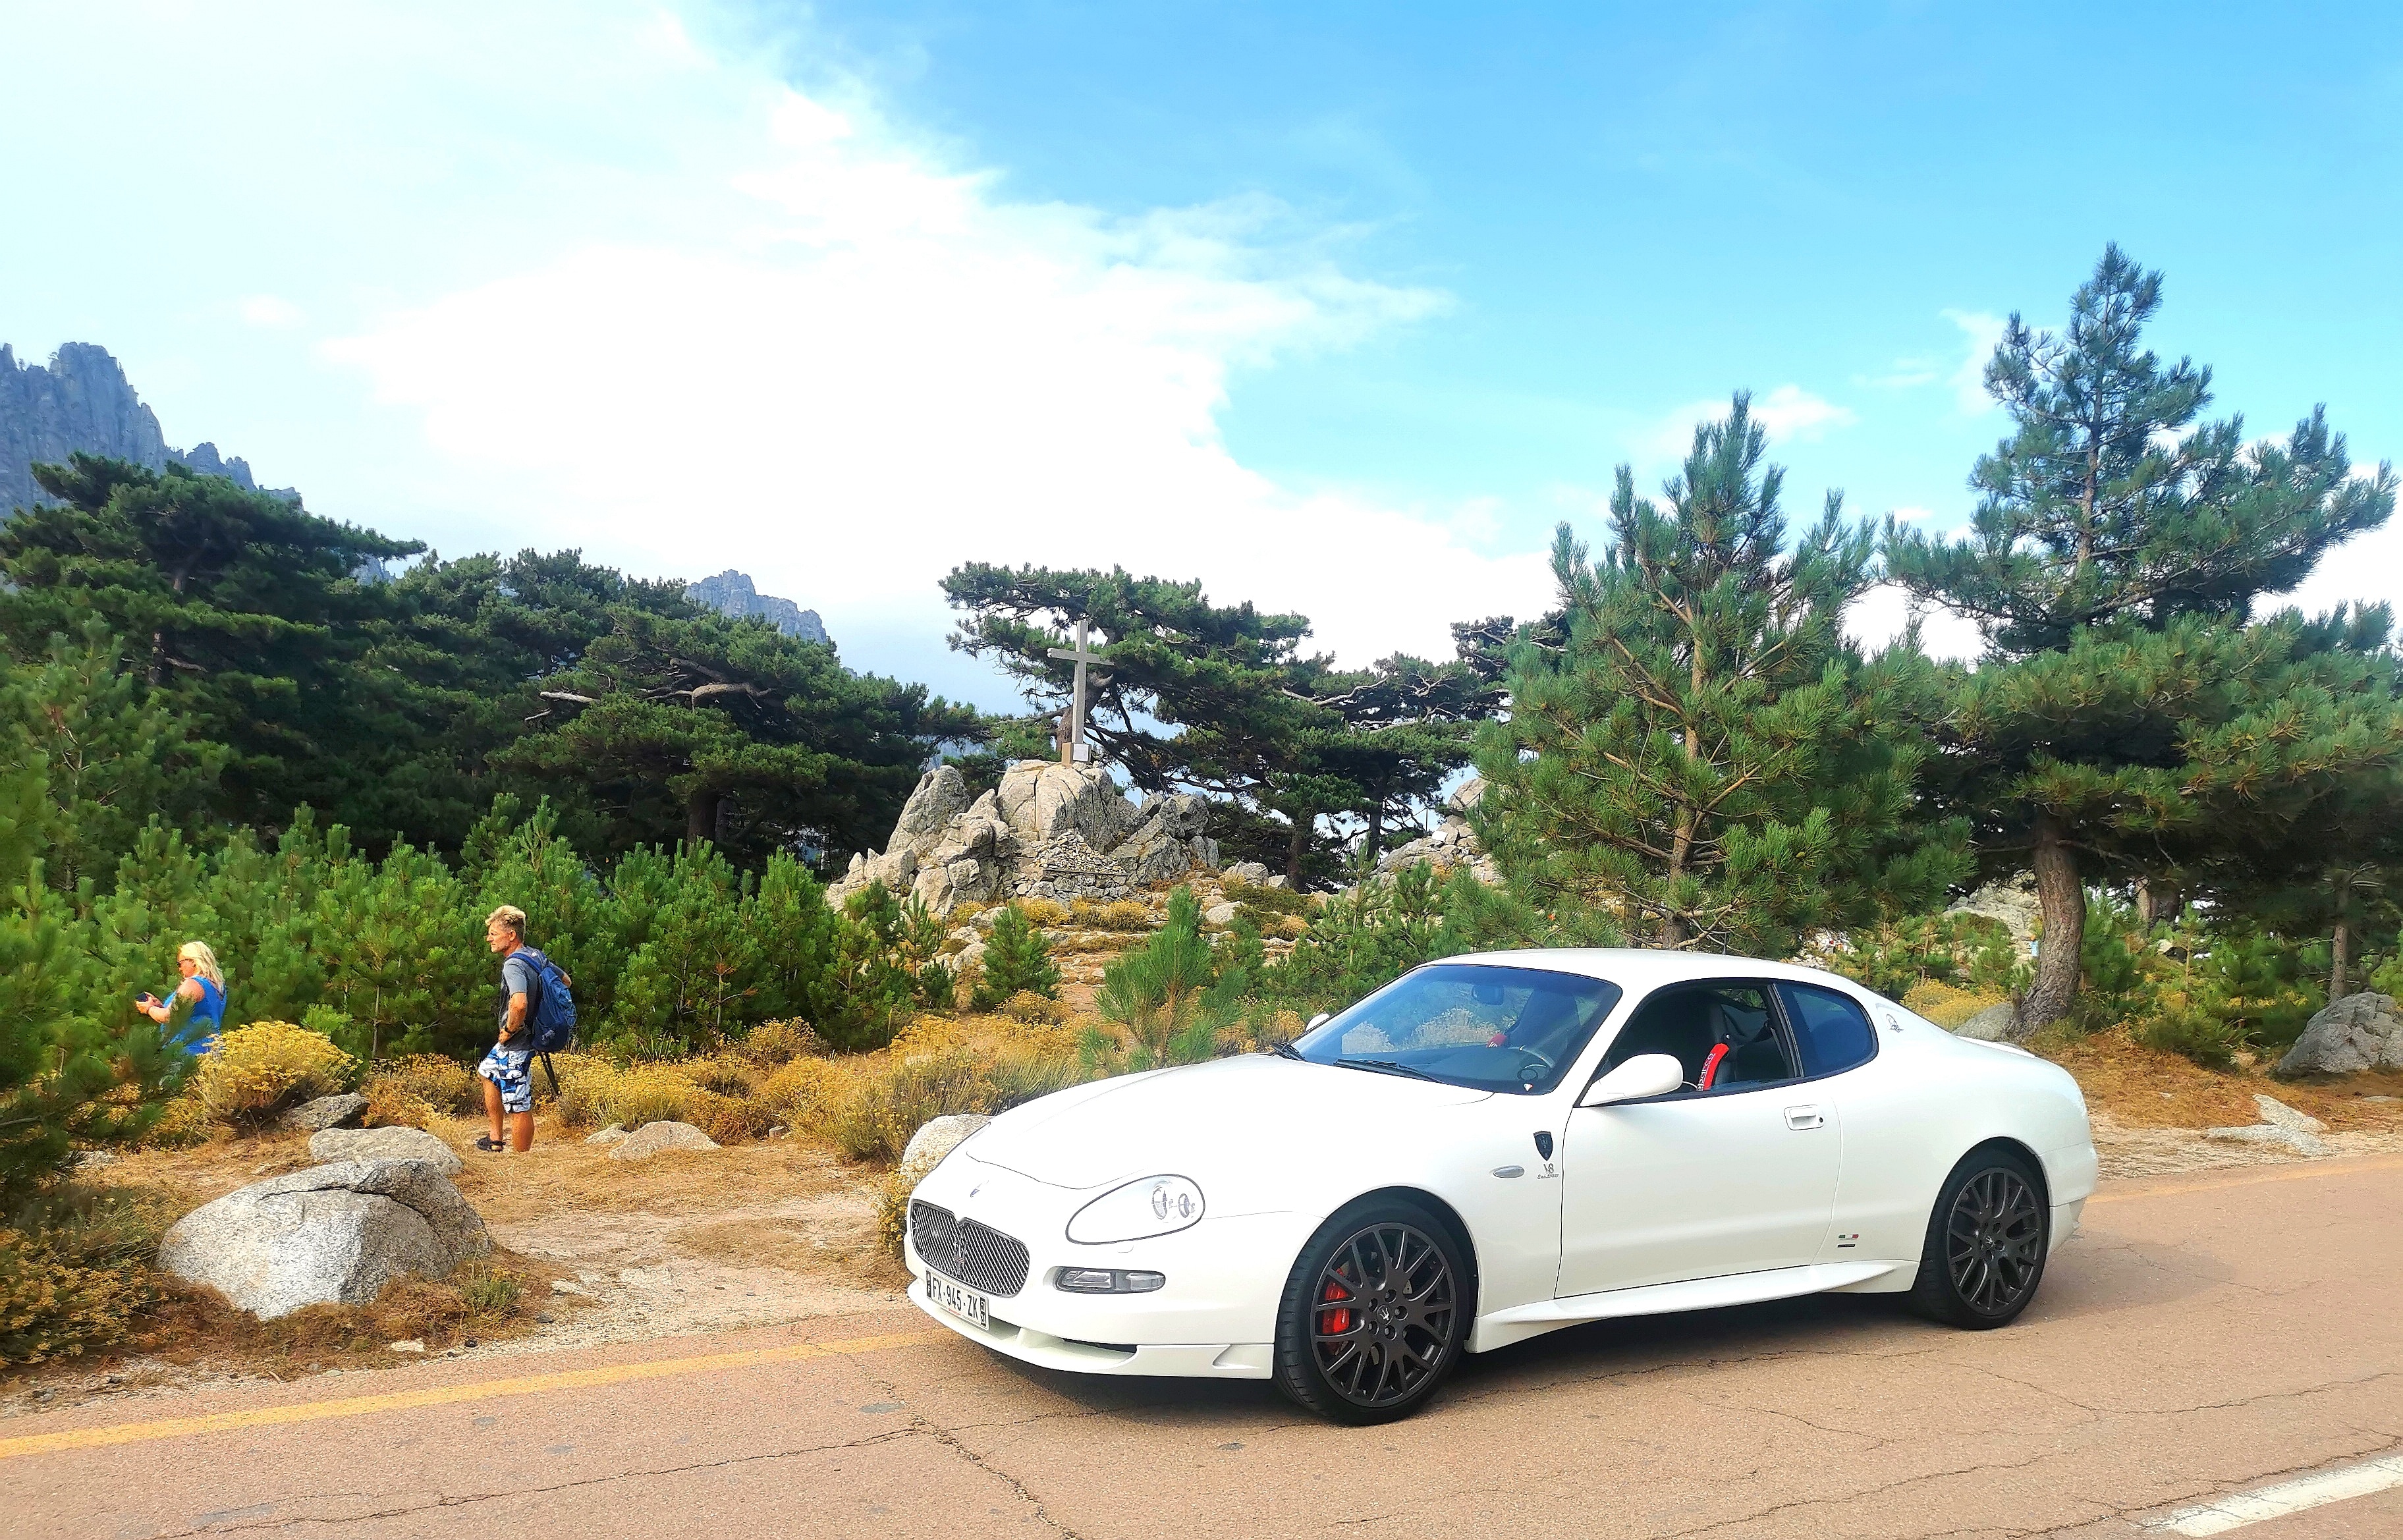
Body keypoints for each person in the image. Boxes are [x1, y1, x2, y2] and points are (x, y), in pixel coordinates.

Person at [478, 905, 539, 1153]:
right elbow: (565, 981)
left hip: (518, 1041)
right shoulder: (535, 956)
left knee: (518, 1102)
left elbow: (519, 1003)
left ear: (511, 935)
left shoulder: (513, 965)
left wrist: (509, 1029)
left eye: (494, 934)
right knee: (487, 1071)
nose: (489, 939)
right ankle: (496, 1140)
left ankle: (521, 1160)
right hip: (520, 1039)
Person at [137, 941, 227, 1059]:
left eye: (180, 963)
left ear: (193, 961)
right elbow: (192, 1013)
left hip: (189, 1053)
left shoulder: (193, 984)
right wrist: (160, 1007)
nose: (179, 968)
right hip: (212, 1049)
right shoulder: (218, 986)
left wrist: (149, 1008)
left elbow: (169, 1016)